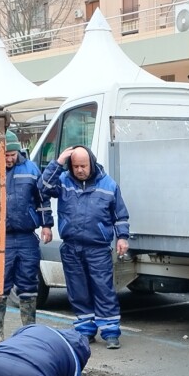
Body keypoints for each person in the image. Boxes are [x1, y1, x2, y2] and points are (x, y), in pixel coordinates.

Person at [39, 145, 130, 348]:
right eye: (76, 166)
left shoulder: (108, 185)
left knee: (103, 289)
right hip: (71, 247)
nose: (80, 170)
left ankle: (110, 332)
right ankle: (85, 331)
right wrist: (59, 161)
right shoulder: (63, 181)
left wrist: (122, 237)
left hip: (97, 248)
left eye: (83, 165)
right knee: (77, 290)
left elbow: (120, 215)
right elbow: (43, 187)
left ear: (92, 163)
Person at [0, 129, 54, 346]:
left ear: (18, 152)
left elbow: (42, 199)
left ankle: (29, 331)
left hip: (27, 237)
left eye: (12, 155)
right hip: (2, 239)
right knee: (0, 285)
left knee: (28, 283)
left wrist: (46, 225)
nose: (9, 159)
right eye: (5, 154)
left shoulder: (31, 169)